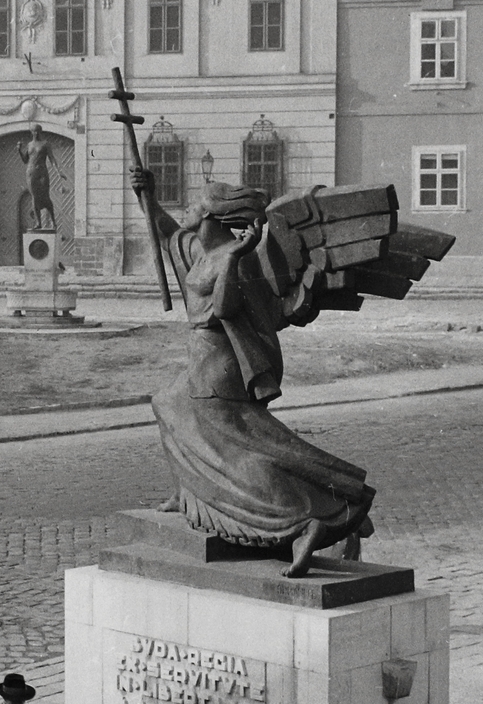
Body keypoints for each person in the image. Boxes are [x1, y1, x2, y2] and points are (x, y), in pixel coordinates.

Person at [131, 169, 375, 575]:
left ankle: (309, 519)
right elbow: (167, 231)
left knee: (241, 452)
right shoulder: (203, 252)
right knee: (169, 404)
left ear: (212, 217)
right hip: (203, 355)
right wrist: (149, 195)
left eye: (196, 204)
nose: (188, 209)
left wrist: (233, 260)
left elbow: (226, 309)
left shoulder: (235, 260)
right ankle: (189, 491)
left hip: (220, 364)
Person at [18, 124, 57, 232]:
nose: (35, 133)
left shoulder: (45, 144)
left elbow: (52, 158)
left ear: (40, 132)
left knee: (45, 196)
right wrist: (19, 150)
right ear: (31, 132)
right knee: (34, 197)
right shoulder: (30, 145)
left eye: (37, 131)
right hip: (31, 173)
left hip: (42, 172)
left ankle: (54, 221)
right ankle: (38, 223)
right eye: (34, 131)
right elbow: (25, 160)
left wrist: (58, 171)